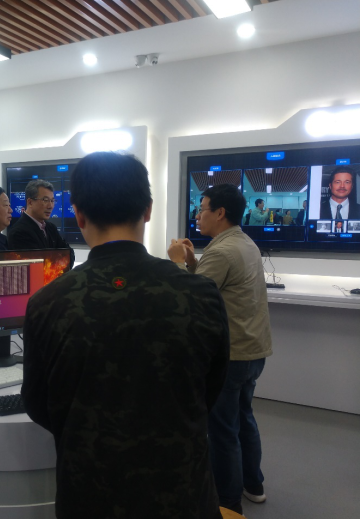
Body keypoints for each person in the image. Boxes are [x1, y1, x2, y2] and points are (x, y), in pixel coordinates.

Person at [22, 152, 230, 519]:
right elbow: (209, 390)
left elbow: (39, 403)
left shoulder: (46, 303)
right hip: (182, 493)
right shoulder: (200, 294)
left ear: (79, 215)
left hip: (90, 494)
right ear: (148, 210)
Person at [168, 184, 273, 515]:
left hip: (231, 355)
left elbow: (191, 300)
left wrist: (175, 264)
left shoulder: (221, 252)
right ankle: (253, 485)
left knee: (223, 430)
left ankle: (227, 503)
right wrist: (192, 262)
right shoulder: (243, 242)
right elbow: (210, 285)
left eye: (202, 209)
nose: (198, 215)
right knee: (244, 419)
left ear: (220, 213)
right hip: (253, 351)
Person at [7, 180, 75, 263]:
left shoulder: (51, 228)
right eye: (45, 200)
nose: (50, 206)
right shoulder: (18, 233)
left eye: (52, 201)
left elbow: (69, 254)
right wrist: (59, 261)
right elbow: (36, 266)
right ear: (30, 202)